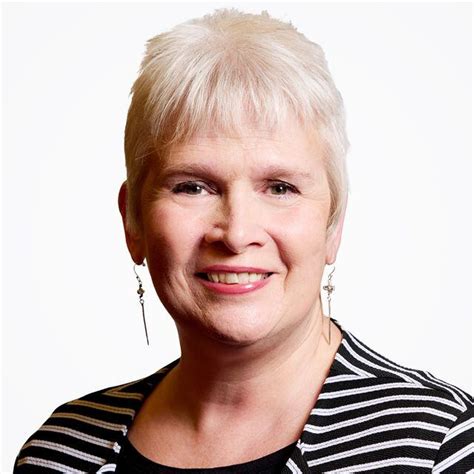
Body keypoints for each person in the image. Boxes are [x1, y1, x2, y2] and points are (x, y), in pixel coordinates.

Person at [14, 8, 472, 473]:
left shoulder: (442, 444)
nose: (236, 234)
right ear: (133, 222)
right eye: (192, 187)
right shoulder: (59, 453)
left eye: (280, 188)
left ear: (333, 224)